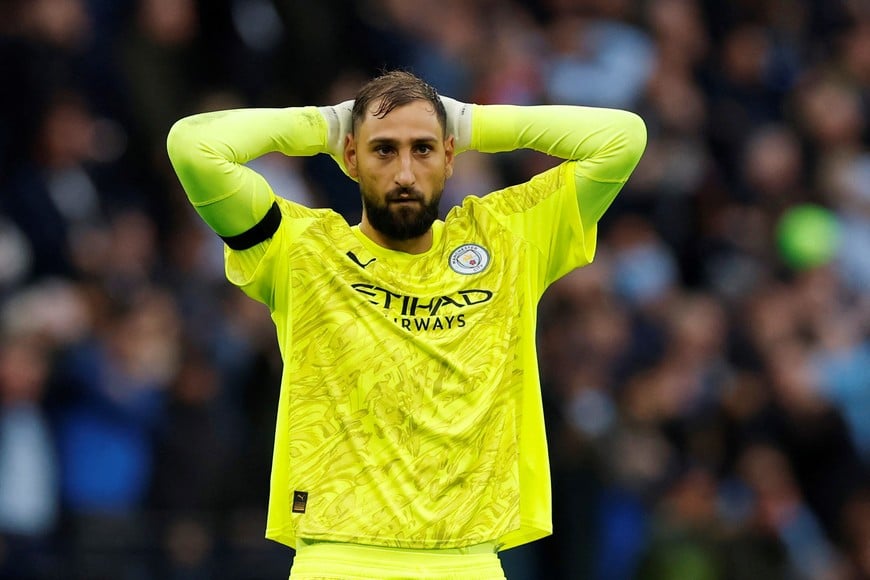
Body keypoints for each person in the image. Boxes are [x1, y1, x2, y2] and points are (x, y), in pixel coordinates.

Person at [166, 70, 646, 579]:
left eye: (422, 149)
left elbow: (622, 138)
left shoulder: (506, 240)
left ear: (449, 156)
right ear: (351, 157)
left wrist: (469, 120)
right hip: (338, 557)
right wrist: (325, 124)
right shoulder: (302, 251)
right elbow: (193, 147)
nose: (403, 173)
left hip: (471, 560)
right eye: (383, 150)